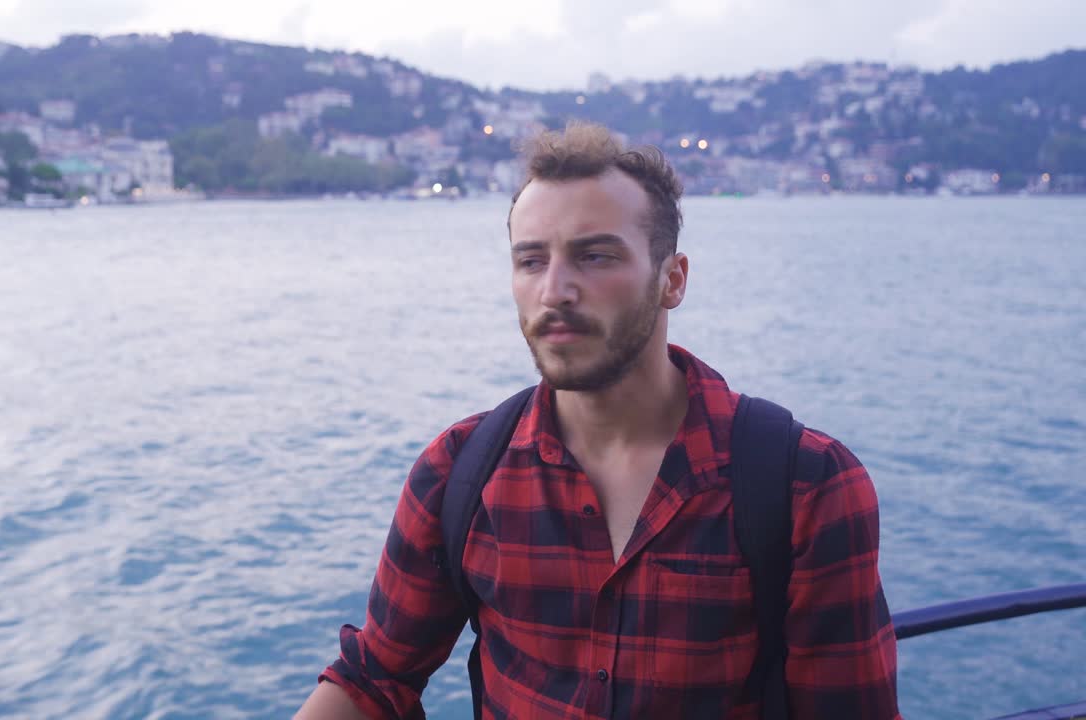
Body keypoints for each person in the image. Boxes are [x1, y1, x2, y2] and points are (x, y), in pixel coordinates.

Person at [295, 121, 899, 719]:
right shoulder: (460, 472)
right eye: (531, 261)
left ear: (672, 280)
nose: (555, 290)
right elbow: (375, 679)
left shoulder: (804, 485)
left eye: (595, 256)